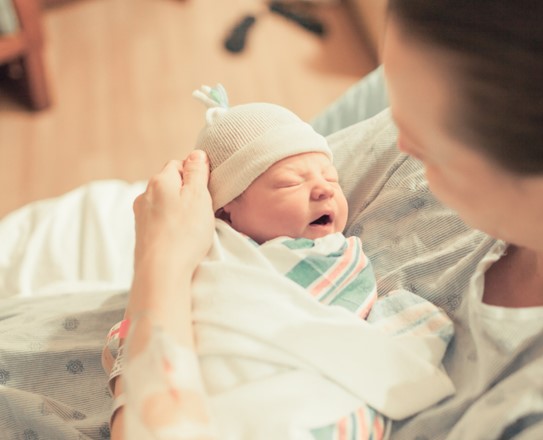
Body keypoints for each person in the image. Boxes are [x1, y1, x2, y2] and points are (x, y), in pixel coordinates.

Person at [114, 0, 543, 439]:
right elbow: (250, 206)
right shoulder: (458, 141)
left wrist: (160, 265)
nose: (396, 143)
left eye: (426, 145)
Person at [104, 85, 455, 439]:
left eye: (331, 178)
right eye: (290, 183)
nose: (324, 189)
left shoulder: (337, 256)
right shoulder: (216, 252)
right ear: (226, 211)